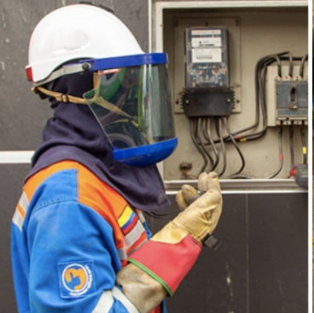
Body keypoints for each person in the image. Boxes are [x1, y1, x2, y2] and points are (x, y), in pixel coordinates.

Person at [11, 4, 222, 312]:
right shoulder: (69, 199)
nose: (133, 98)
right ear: (81, 88)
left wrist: (182, 231)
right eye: (119, 83)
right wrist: (181, 240)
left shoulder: (92, 171)